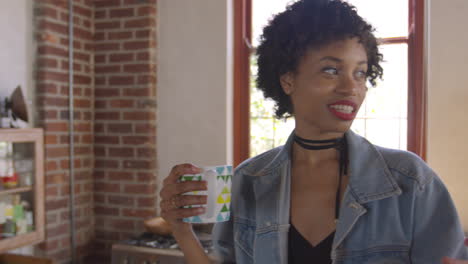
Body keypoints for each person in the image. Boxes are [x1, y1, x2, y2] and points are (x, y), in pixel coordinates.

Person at [159, 0, 468, 263]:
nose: (351, 88)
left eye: (360, 72)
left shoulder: (411, 181)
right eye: (331, 70)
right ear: (288, 79)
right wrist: (181, 229)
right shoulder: (246, 181)